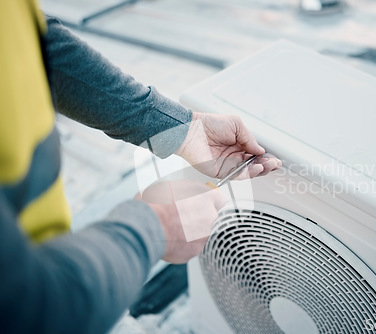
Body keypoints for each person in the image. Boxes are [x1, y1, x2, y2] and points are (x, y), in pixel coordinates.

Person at [0, 1, 281, 333]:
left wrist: (179, 129)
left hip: (77, 267)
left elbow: (33, 47)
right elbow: (24, 308)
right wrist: (156, 228)